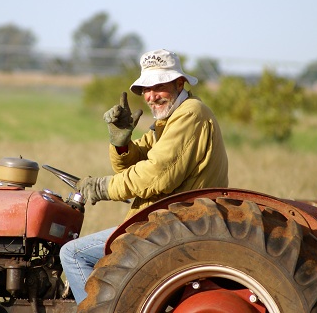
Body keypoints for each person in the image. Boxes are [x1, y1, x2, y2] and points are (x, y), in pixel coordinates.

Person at [60, 48, 229, 304]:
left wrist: (100, 187)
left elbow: (155, 175)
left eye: (158, 86)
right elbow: (135, 163)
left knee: (73, 254)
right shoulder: (168, 120)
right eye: (146, 89)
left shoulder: (190, 114)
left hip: (177, 223)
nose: (151, 96)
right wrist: (121, 143)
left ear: (179, 83)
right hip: (169, 220)